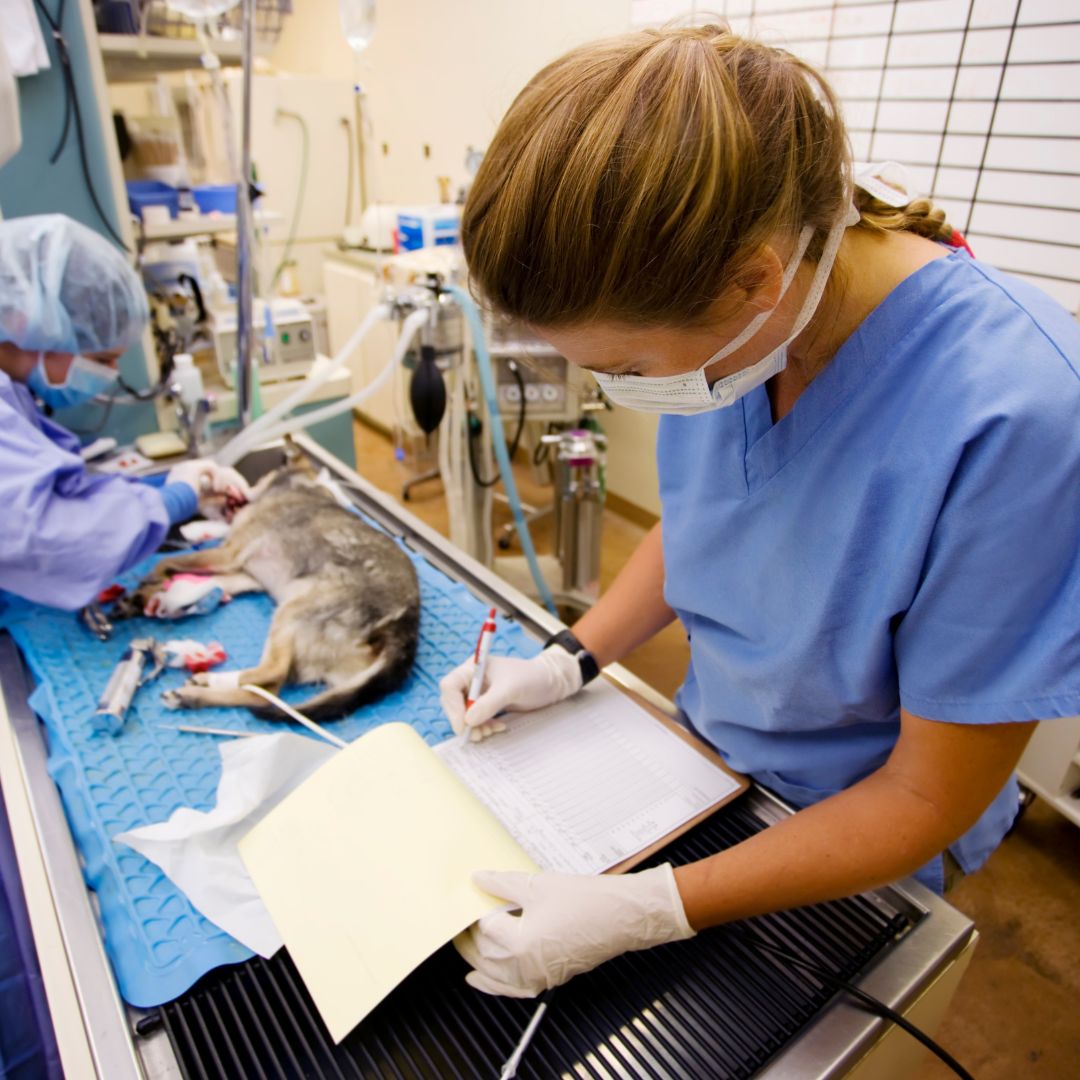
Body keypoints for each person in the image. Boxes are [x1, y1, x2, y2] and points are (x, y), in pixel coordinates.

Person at [440, 25, 1080, 1000]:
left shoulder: (1017, 414)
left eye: (622, 370)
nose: (614, 392)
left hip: (862, 848)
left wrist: (649, 910)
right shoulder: (744, 337)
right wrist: (569, 659)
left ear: (754, 282)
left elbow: (924, 797)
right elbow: (709, 520)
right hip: (705, 766)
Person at [0, 214, 249, 610]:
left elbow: (48, 492)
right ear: (26, 323)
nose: (111, 375)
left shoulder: (10, 392)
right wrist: (175, 499)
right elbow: (48, 536)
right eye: (101, 358)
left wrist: (156, 491)